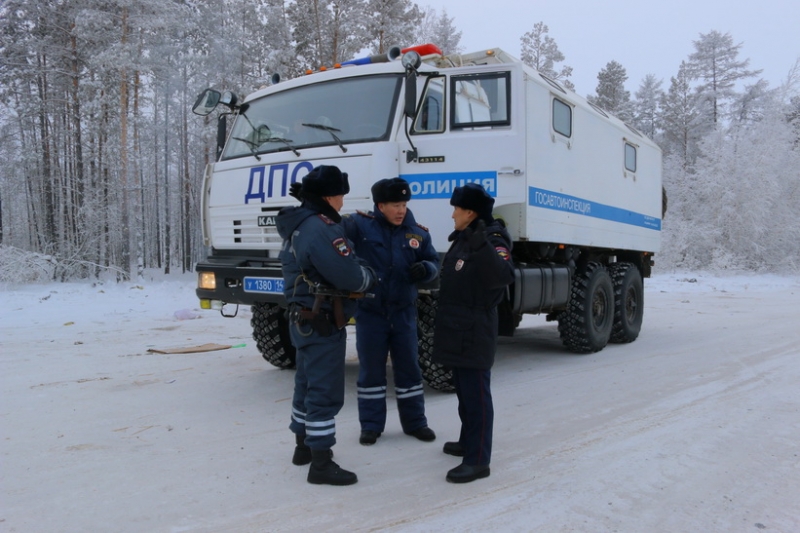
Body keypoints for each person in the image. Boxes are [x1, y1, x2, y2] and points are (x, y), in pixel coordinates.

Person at [276, 165, 375, 486]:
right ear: (331, 196)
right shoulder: (320, 229)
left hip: (302, 316)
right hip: (320, 320)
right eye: (342, 195)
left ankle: (302, 446)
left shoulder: (302, 223)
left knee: (305, 382)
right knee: (324, 390)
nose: (344, 202)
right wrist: (368, 275)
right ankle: (321, 461)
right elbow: (347, 274)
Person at [342, 178, 439, 446]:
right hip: (371, 312)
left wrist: (427, 270)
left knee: (409, 369)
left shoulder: (418, 232)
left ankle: (415, 423)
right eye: (396, 204)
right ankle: (371, 426)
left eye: (405, 204)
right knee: (371, 371)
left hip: (403, 313)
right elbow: (332, 234)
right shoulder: (359, 225)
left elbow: (433, 261)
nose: (401, 210)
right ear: (380, 205)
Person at [432, 183, 515, 483]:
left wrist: (482, 247)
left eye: (456, 208)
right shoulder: (466, 237)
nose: (452, 214)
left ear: (470, 212)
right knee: (465, 394)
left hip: (475, 328)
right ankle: (468, 441)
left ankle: (478, 459)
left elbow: (503, 276)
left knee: (477, 395)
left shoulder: (491, 238)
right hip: (458, 326)